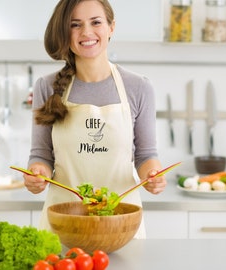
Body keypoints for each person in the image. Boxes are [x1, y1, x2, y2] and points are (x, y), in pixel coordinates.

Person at [23, 0, 166, 238]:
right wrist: (37, 174)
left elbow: (146, 155)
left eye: (96, 22)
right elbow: (41, 156)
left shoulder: (139, 87)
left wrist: (153, 176)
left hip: (121, 223)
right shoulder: (46, 87)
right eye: (75, 25)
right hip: (64, 223)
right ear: (64, 32)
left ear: (111, 27)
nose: (86, 32)